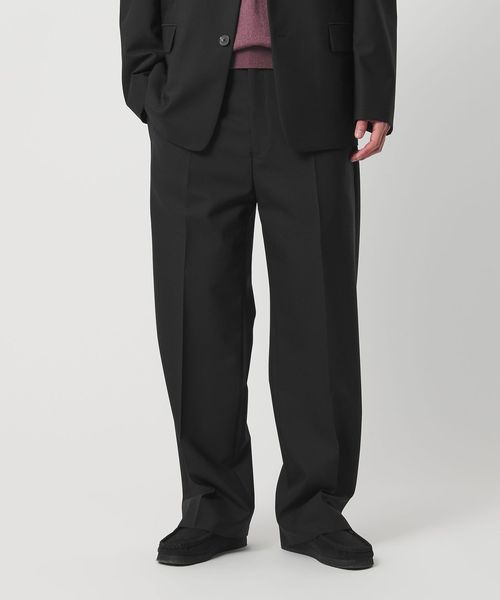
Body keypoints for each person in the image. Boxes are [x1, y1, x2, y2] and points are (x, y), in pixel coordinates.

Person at [119, 0, 397, 570]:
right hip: (191, 97)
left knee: (318, 311)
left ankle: (316, 508)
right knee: (196, 312)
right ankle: (211, 506)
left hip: (319, 94)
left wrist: (373, 89)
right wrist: (145, 81)